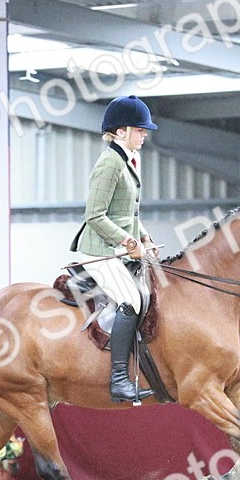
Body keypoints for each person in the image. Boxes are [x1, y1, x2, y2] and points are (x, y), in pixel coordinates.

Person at [69, 94, 160, 403]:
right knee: (132, 301)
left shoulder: (125, 160)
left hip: (121, 248)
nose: (144, 134)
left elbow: (128, 214)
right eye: (139, 129)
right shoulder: (109, 163)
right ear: (121, 131)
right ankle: (119, 379)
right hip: (98, 251)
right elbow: (95, 216)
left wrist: (144, 238)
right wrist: (129, 242)